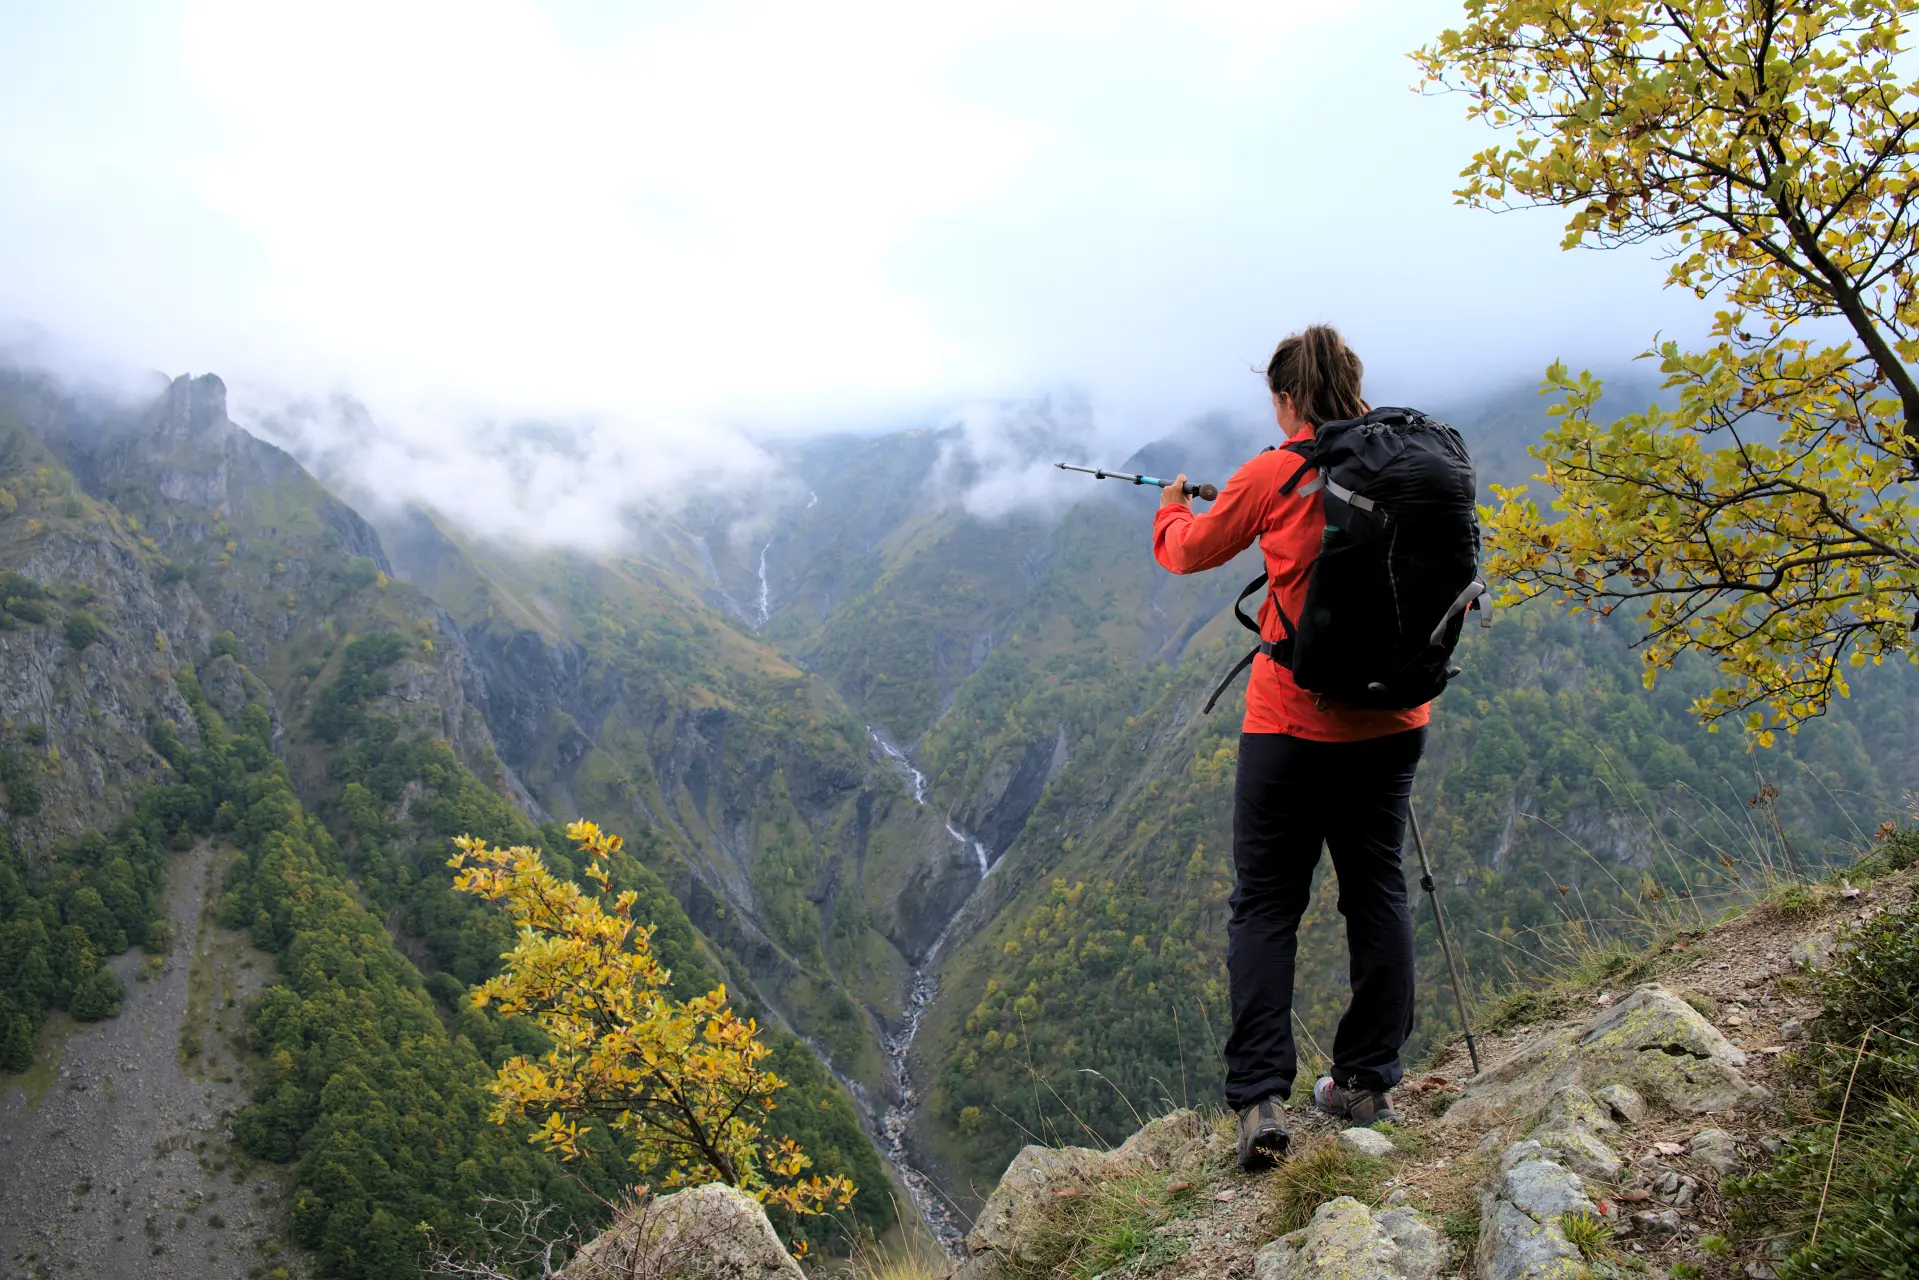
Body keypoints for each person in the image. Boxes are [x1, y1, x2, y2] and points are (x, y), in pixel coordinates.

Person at [1153, 324, 1427, 1172]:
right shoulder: (1417, 465)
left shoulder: (1276, 471)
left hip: (1289, 725)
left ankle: (1261, 1102)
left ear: (1284, 399)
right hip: (1393, 722)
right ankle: (1365, 1083)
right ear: (1353, 384)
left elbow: (1189, 551)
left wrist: (1169, 505)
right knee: (1375, 894)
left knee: (1266, 906)